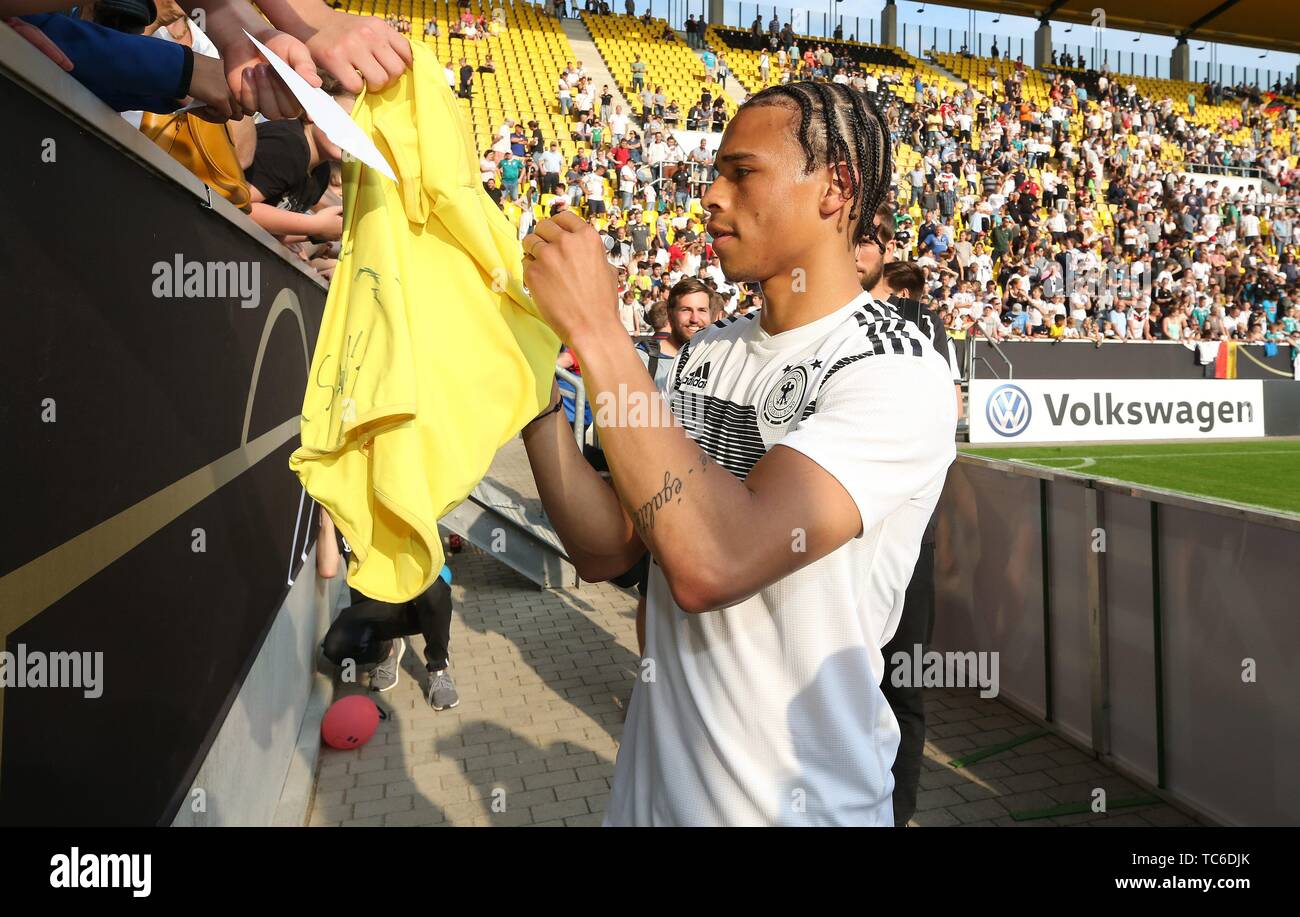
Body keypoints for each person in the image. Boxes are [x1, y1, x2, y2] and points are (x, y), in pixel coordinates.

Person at [518, 81, 956, 826]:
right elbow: (610, 550)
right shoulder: (708, 351)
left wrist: (596, 330)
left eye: (740, 172)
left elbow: (711, 560)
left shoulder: (896, 366)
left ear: (835, 188)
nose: (711, 197)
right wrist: (528, 397)